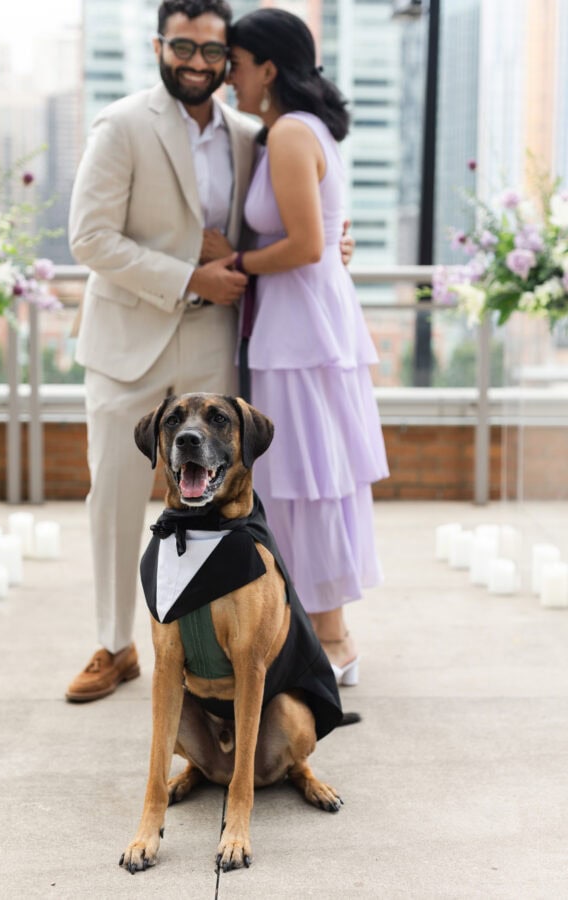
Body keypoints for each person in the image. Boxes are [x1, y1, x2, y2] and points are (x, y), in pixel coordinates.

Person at [66, 0, 353, 702]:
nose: (195, 63)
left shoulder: (253, 134)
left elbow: (286, 221)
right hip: (127, 345)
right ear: (159, 45)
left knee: (210, 507)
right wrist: (187, 279)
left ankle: (202, 649)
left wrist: (335, 245)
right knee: (117, 498)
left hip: (214, 348)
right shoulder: (122, 125)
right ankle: (114, 644)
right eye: (181, 47)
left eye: (210, 53)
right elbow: (89, 239)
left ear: (230, 61)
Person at [204, 8, 389, 685]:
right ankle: (319, 636)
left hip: (300, 333)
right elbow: (322, 236)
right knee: (304, 483)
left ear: (269, 69)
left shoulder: (287, 135)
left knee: (307, 483)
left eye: (238, 64)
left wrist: (236, 262)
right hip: (299, 327)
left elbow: (309, 245)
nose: (229, 77)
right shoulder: (292, 132)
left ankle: (333, 641)